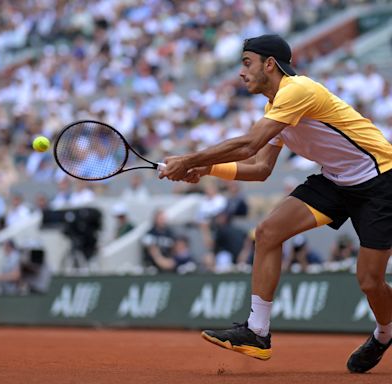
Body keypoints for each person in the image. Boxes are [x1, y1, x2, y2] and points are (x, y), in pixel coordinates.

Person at [159, 34, 392, 373]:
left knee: (370, 280)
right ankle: (257, 332)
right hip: (336, 181)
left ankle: (385, 333)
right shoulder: (275, 108)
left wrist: (189, 158)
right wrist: (205, 167)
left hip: (381, 180)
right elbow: (261, 169)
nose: (241, 72)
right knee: (267, 232)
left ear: (270, 64)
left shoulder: (297, 90)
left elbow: (250, 145)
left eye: (246, 62)